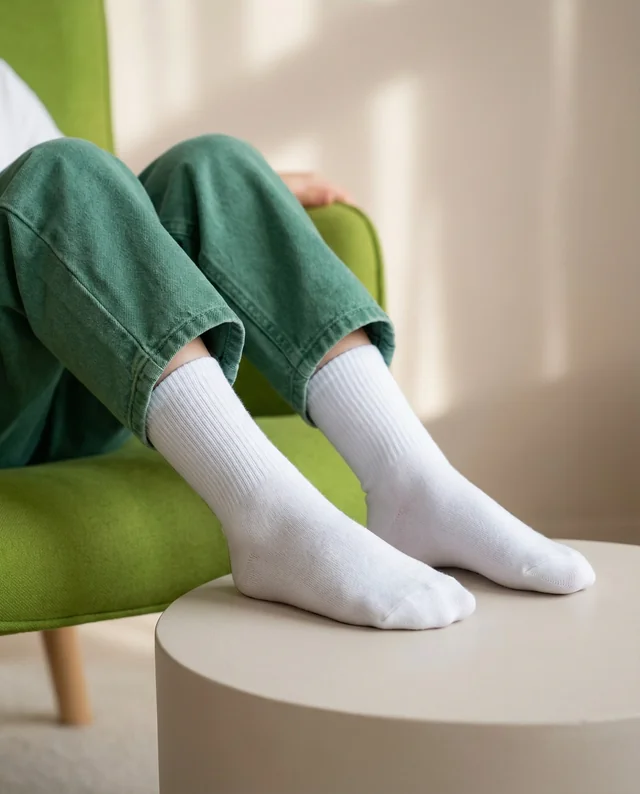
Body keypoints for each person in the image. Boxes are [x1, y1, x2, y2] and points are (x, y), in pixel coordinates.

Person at [0, 60, 594, 631]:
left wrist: (229, 209)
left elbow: (60, 208)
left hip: (58, 384)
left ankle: (411, 483)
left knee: (210, 169)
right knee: (58, 173)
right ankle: (269, 520)